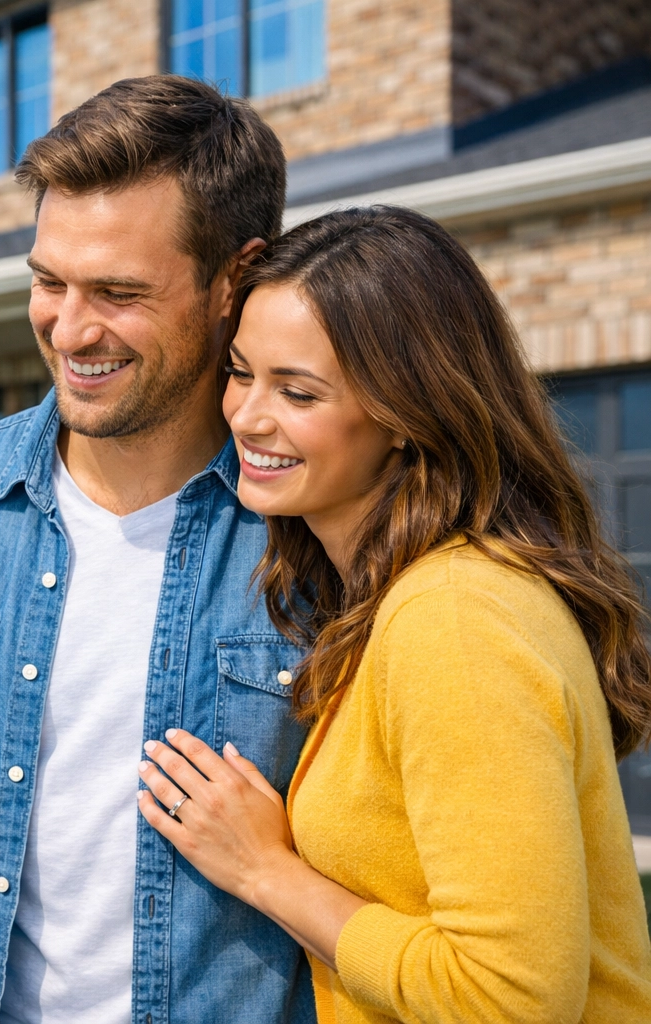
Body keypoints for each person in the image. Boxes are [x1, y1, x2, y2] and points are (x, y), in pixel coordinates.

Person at [0, 77, 314, 1024]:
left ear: (233, 283)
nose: (70, 329)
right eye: (48, 282)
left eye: (119, 293)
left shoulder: (326, 532)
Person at [137, 206, 651, 1023]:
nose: (247, 417)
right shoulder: (395, 600)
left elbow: (510, 998)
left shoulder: (454, 621)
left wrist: (266, 871)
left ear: (409, 415)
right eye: (241, 372)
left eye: (298, 391)